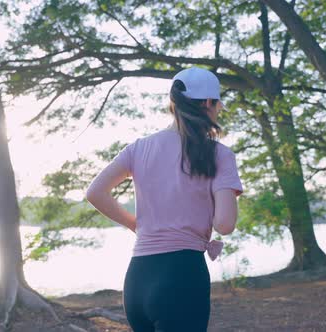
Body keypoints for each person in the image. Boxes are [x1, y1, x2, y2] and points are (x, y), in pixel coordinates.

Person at [86, 67, 243, 332]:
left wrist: (134, 224)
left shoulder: (138, 148)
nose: (217, 112)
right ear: (207, 103)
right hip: (183, 276)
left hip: (137, 279)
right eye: (217, 105)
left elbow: (95, 192)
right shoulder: (218, 154)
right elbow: (225, 224)